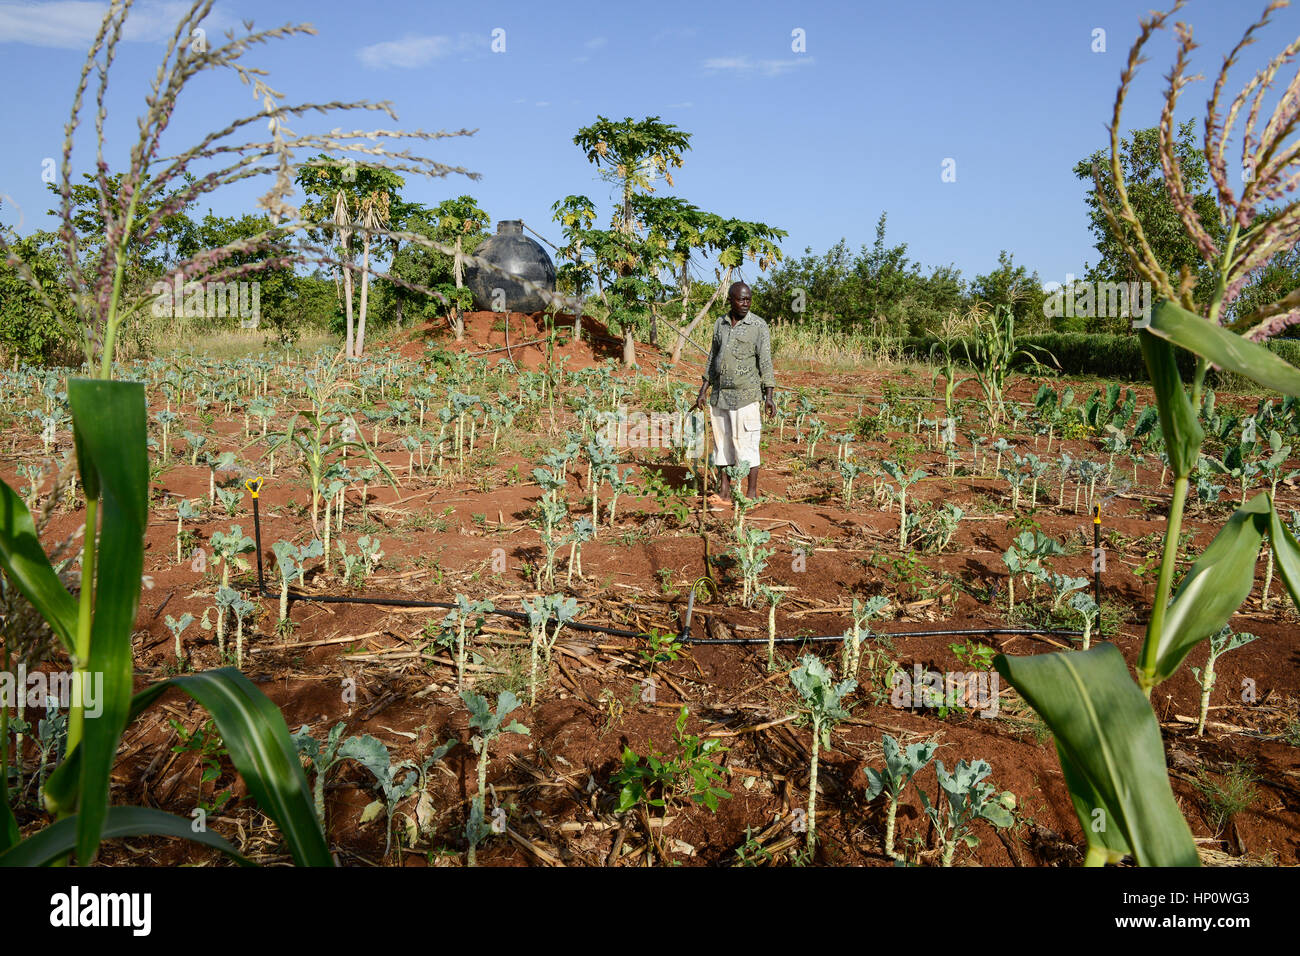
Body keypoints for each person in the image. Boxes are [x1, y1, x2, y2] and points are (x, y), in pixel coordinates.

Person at [694, 281, 776, 510]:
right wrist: (702, 391)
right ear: (730, 299)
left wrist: (768, 396)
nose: (745, 303)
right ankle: (724, 493)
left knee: (747, 444)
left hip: (746, 396)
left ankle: (750, 494)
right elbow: (712, 359)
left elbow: (766, 363)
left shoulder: (758, 326)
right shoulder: (720, 324)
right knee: (722, 445)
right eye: (741, 299)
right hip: (720, 396)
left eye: (748, 299)